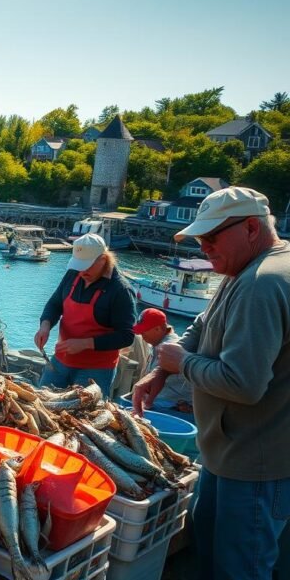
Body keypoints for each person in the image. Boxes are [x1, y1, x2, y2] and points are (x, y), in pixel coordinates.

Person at [138, 187, 290, 579]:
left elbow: (244, 384)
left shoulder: (262, 283)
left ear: (251, 228)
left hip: (254, 465)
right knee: (208, 545)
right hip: (225, 455)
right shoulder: (243, 268)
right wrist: (161, 370)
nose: (204, 247)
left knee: (240, 567)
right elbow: (204, 326)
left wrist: (183, 364)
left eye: (212, 237)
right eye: (200, 238)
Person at [34, 233, 135, 396]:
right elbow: (55, 304)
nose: (82, 272)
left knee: (84, 417)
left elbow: (126, 336)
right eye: (79, 266)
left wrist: (85, 344)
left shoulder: (121, 291)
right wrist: (45, 327)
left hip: (96, 371)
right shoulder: (73, 274)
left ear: (103, 259)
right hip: (60, 362)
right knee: (43, 403)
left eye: (86, 266)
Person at [128, 308, 192, 416]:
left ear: (158, 329)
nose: (141, 336)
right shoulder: (155, 345)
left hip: (172, 408)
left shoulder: (170, 349)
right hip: (161, 403)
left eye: (143, 331)